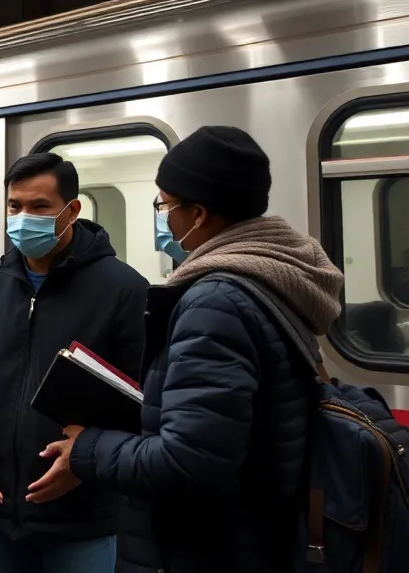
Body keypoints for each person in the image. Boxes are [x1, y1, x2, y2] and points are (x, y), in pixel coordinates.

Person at [31, 127, 344, 573]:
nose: (162, 217)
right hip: (257, 535)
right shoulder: (272, 277)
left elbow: (190, 461)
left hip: (208, 548)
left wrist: (88, 448)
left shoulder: (216, 303)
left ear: (198, 214)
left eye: (164, 205)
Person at [0, 152, 148, 573]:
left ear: (71, 210)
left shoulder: (124, 289)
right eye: (14, 206)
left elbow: (143, 400)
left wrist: (85, 462)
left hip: (82, 518)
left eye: (39, 206)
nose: (23, 217)